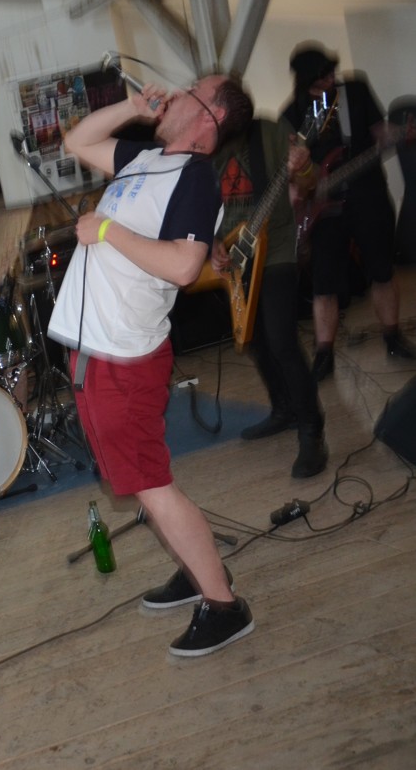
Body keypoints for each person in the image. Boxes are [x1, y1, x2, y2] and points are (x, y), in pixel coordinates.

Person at [50, 74, 256, 657]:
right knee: (139, 478)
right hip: (98, 348)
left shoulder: (195, 179)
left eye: (193, 90)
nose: (177, 92)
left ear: (211, 116)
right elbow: (76, 142)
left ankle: (224, 605)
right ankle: (198, 568)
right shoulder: (145, 159)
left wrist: (108, 230)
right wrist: (131, 107)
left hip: (125, 356)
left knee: (149, 482)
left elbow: (186, 266)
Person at [280, 42, 414, 381]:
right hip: (322, 211)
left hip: (368, 196)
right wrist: (306, 188)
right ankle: (324, 354)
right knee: (324, 283)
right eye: (321, 78)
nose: (330, 81)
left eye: (330, 74)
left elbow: (380, 133)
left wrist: (398, 134)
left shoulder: (354, 90)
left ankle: (393, 338)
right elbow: (290, 170)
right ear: (305, 81)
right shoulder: (292, 113)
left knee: (382, 271)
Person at [209, 116, 328, 478]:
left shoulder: (271, 133)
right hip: (235, 254)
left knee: (282, 341)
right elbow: (203, 203)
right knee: (254, 340)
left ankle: (312, 430)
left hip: (275, 247)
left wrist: (302, 167)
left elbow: (310, 183)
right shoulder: (208, 144)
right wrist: (212, 242)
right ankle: (283, 410)